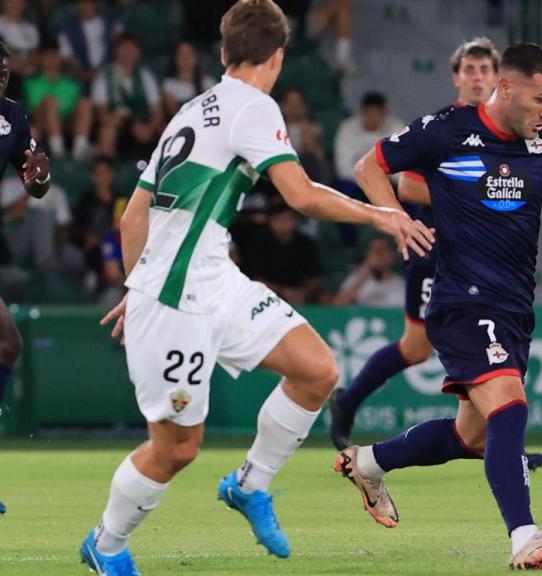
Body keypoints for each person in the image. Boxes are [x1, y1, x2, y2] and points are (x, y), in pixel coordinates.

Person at [78, 2, 432, 574]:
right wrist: (380, 215)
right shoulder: (254, 106)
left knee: (317, 370)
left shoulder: (192, 110)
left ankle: (249, 485)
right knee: (176, 450)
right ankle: (107, 543)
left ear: (223, 53)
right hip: (175, 299)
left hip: (213, 279)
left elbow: (131, 217)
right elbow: (302, 195)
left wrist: (137, 277)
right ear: (279, 55)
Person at [338, 43, 542, 570]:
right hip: (461, 298)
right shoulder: (447, 129)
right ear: (506, 88)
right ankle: (524, 538)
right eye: (541, 99)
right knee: (510, 406)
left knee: (469, 435)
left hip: (514, 306)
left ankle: (368, 462)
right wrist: (392, 216)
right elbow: (370, 165)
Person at [0, 38, 52, 515]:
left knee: (6, 343)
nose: (0, 79)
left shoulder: (11, 115)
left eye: (4, 72)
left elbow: (35, 185)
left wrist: (39, 177)